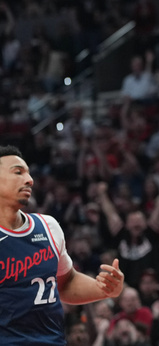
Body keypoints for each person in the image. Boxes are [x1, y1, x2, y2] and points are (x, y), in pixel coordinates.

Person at [0, 145, 125, 345]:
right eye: (18, 172)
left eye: (29, 173)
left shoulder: (48, 226)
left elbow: (65, 282)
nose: (29, 180)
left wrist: (104, 289)